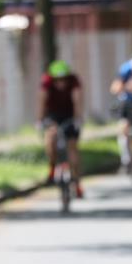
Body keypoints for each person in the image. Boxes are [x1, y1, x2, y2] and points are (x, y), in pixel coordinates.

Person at [40, 60, 83, 198]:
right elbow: (41, 100)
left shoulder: (74, 81)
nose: (61, 83)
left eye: (63, 79)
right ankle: (52, 167)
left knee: (72, 149)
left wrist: (77, 118)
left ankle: (76, 184)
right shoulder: (46, 82)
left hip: (69, 115)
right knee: (50, 139)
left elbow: (77, 100)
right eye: (57, 80)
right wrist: (40, 120)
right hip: (53, 115)